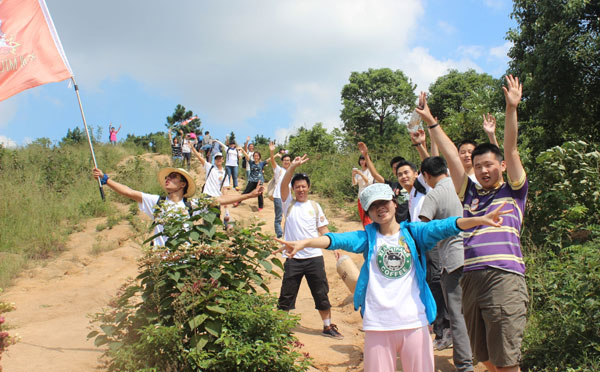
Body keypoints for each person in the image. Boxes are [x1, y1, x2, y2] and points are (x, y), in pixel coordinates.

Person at [275, 183, 511, 372]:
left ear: (393, 202)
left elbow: (446, 226)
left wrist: (478, 220)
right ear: (368, 212)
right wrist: (306, 242)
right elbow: (336, 239)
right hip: (378, 324)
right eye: (373, 206)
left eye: (383, 202)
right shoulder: (367, 238)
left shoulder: (414, 233)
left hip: (414, 323)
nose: (379, 208)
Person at [416, 75, 529, 372]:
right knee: (486, 358)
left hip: (503, 277)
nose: (483, 169)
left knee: (506, 361)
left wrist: (511, 108)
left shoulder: (514, 191)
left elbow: (511, 147)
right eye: (478, 166)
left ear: (502, 166)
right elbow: (453, 157)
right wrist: (431, 123)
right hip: (471, 278)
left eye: (489, 164)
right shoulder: (470, 194)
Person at [91, 166, 261, 247]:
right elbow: (129, 192)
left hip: (183, 260)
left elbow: (220, 200)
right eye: (167, 177)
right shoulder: (157, 202)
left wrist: (249, 195)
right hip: (160, 259)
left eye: (173, 177)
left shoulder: (191, 205)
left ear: (182, 185)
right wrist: (106, 179)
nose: (167, 179)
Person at [274, 154, 343, 339]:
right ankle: (279, 328)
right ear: (293, 189)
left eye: (304, 186)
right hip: (293, 257)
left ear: (309, 187)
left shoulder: (315, 205)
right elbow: (283, 184)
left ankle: (328, 326)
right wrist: (292, 168)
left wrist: (334, 245)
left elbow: (323, 228)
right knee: (286, 294)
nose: (301, 189)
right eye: (297, 187)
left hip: (314, 257)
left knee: (321, 292)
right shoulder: (288, 202)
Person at [419, 156, 474, 371]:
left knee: (457, 314)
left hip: (452, 260)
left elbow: (422, 231)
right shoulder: (465, 184)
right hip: (476, 256)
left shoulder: (434, 195)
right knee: (476, 311)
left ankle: (464, 364)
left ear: (426, 176)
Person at [357, 142, 410, 221]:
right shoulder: (392, 185)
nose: (398, 169)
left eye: (399, 166)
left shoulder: (414, 185)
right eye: (395, 168)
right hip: (397, 225)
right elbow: (375, 175)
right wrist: (366, 156)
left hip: (410, 224)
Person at [269, 141, 292, 238]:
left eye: (288, 160)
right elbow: (273, 162)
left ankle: (289, 232)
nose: (286, 161)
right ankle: (279, 234)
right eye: (285, 160)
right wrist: (271, 152)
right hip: (278, 196)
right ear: (282, 162)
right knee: (278, 216)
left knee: (290, 216)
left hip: (289, 197)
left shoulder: (291, 172)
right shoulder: (279, 170)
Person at [352, 155, 374, 226]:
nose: (362, 161)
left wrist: (360, 174)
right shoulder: (359, 171)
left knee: (367, 217)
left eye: (364, 160)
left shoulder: (369, 171)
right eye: (361, 160)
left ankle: (370, 233)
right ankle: (366, 232)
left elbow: (368, 181)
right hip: (360, 196)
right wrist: (353, 176)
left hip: (367, 196)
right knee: (362, 217)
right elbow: (354, 183)